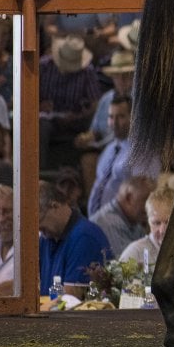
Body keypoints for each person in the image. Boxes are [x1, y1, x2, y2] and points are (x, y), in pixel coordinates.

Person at [39, 34, 102, 171]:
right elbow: (27, 96)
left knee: (93, 124)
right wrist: (40, 105)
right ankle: (40, 170)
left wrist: (79, 115)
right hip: (48, 117)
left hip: (76, 117)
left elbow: (96, 104)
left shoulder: (87, 72)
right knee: (41, 126)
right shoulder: (43, 66)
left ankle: (84, 167)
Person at [87, 95, 156, 216]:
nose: (114, 123)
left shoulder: (142, 151)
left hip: (122, 222)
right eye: (111, 117)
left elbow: (143, 192)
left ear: (133, 118)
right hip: (97, 219)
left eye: (121, 116)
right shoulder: (109, 150)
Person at [37, 180, 110, 294]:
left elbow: (71, 299)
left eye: (40, 223)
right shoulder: (47, 237)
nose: (40, 231)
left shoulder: (85, 237)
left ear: (55, 206)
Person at [75, 48, 136, 152]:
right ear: (112, 77)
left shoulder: (139, 101)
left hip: (131, 148)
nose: (121, 80)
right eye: (117, 75)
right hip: (105, 148)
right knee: (88, 158)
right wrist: (86, 138)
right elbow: (96, 131)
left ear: (133, 76)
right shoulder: (106, 99)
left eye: (126, 75)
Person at [90, 175, 154, 259]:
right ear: (129, 198)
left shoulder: (133, 219)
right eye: (145, 200)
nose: (149, 206)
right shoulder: (109, 223)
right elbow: (129, 263)